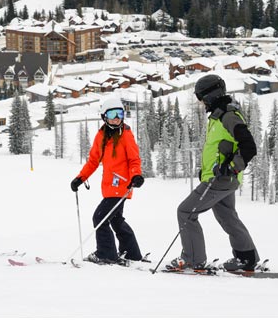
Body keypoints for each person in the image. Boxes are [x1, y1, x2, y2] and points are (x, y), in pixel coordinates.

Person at [167, 74, 259, 272]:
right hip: (222, 178)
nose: (200, 102)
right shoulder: (219, 115)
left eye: (201, 98)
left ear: (210, 95)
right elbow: (221, 148)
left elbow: (249, 147)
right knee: (227, 217)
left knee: (185, 212)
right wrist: (208, 169)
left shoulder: (228, 115)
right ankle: (247, 258)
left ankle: (192, 259)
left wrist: (231, 167)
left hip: (221, 179)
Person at [70, 95, 145, 264]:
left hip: (122, 185)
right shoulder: (101, 136)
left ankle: (106, 253)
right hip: (109, 187)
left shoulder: (126, 135)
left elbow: (134, 159)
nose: (117, 119)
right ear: (104, 117)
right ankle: (131, 253)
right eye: (112, 115)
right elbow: (93, 161)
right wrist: (80, 178)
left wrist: (136, 175)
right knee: (116, 220)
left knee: (100, 217)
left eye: (119, 114)